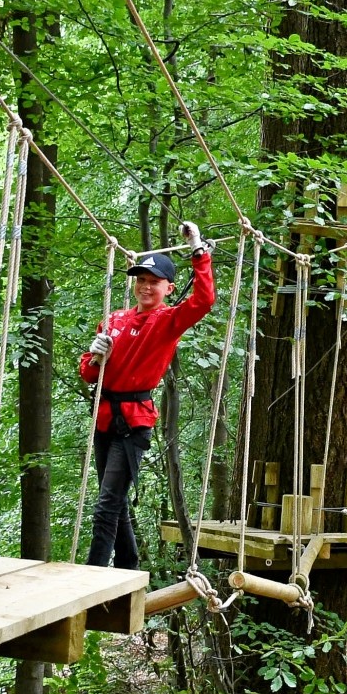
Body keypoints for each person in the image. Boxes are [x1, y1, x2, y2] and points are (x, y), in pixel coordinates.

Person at [80, 221, 216, 570]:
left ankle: (91, 575)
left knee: (107, 504)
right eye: (141, 280)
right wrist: (94, 356)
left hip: (134, 422)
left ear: (169, 288)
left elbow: (204, 300)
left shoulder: (167, 321)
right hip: (105, 418)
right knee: (115, 502)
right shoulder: (114, 320)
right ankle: (128, 566)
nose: (145, 286)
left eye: (154, 282)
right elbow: (89, 374)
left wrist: (198, 249)